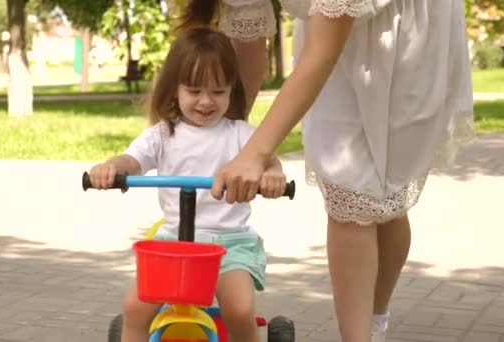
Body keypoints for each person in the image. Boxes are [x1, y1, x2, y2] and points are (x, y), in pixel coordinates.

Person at [177, 1, 474, 341]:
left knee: (385, 198)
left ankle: (374, 322)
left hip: (404, 33)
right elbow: (249, 39)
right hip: (326, 29)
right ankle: (359, 335)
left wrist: (257, 154)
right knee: (346, 187)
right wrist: (222, 139)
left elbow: (322, 54)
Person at [88, 27, 287, 342]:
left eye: (218, 91)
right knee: (135, 308)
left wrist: (273, 175)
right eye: (194, 91)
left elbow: (268, 161)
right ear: (174, 89)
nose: (206, 102)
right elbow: (132, 161)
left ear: (231, 90)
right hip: (173, 247)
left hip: (229, 245)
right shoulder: (163, 134)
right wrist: (111, 168)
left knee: (239, 309)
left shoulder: (240, 134)